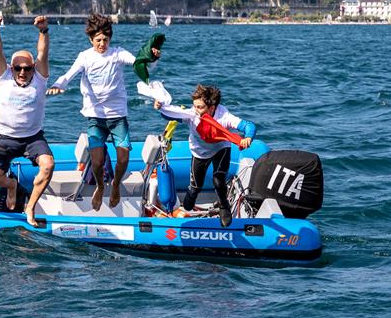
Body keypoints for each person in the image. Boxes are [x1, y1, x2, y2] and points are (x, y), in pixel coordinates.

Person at [47, 14, 161, 210]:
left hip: (118, 117)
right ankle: (100, 186)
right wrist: (58, 85)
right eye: (98, 40)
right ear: (91, 39)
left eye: (105, 40)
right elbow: (69, 74)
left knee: (124, 158)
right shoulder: (85, 56)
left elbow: (139, 64)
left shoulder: (118, 54)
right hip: (96, 118)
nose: (102, 44)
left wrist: (153, 58)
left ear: (110, 39)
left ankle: (115, 185)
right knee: (98, 162)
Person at [0, 13, 55, 227]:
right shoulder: (3, 77)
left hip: (32, 138)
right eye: (18, 68)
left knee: (48, 165)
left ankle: (30, 207)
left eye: (27, 68)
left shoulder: (40, 79)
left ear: (33, 68)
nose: (23, 72)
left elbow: (43, 53)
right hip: (4, 138)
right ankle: (12, 185)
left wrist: (43, 31)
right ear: (11, 68)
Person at [153, 84, 256, 227]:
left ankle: (223, 206)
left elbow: (248, 125)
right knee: (196, 187)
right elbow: (170, 114)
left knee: (218, 181)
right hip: (199, 152)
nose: (196, 110)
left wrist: (248, 137)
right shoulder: (192, 115)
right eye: (195, 106)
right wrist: (160, 107)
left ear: (212, 108)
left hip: (221, 148)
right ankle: (192, 194)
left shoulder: (224, 116)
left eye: (200, 107)